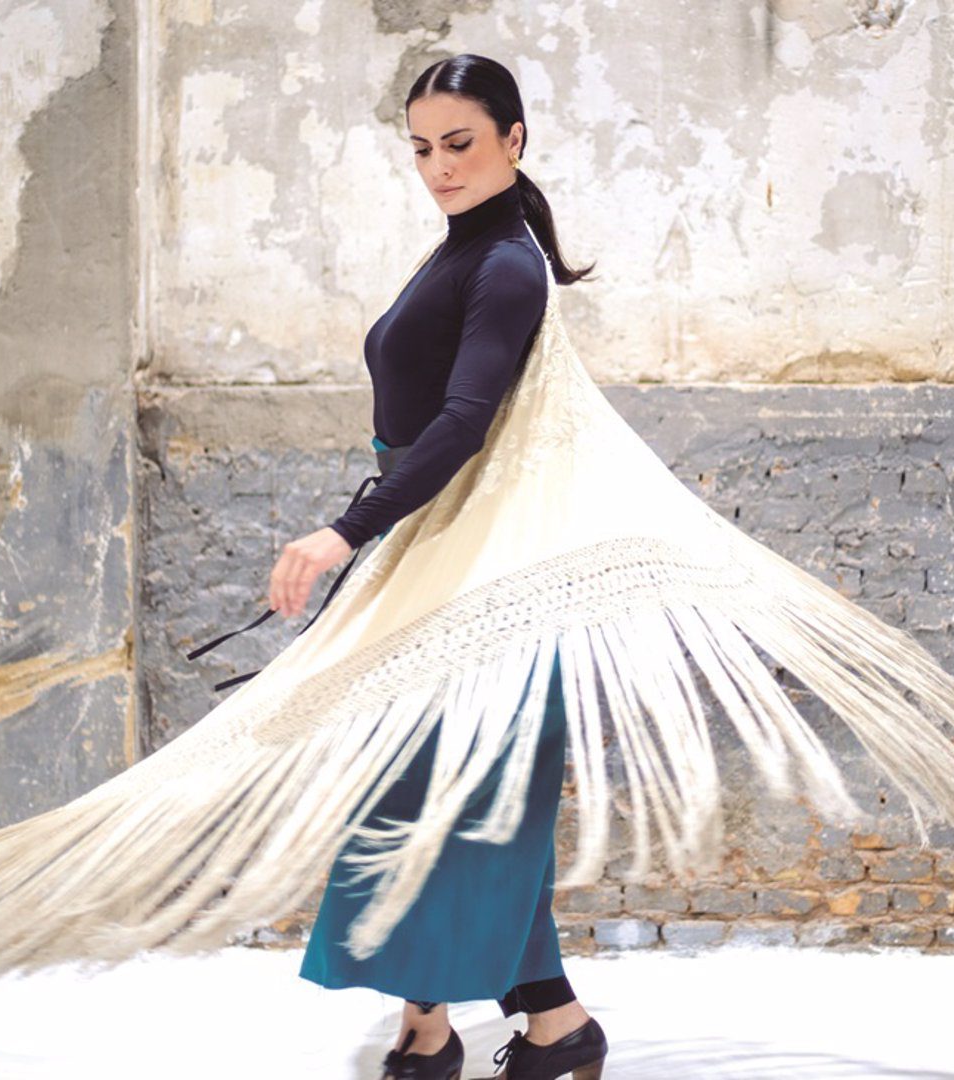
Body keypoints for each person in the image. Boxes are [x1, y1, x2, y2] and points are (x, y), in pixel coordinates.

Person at [265, 55, 609, 1080]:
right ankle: (543, 1028)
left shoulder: (506, 266)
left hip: (477, 566)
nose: (438, 168)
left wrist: (343, 531)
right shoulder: (464, 251)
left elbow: (461, 426)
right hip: (440, 548)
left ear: (514, 138)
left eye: (459, 144)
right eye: (421, 149)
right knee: (436, 793)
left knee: (443, 795)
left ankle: (467, 1027)